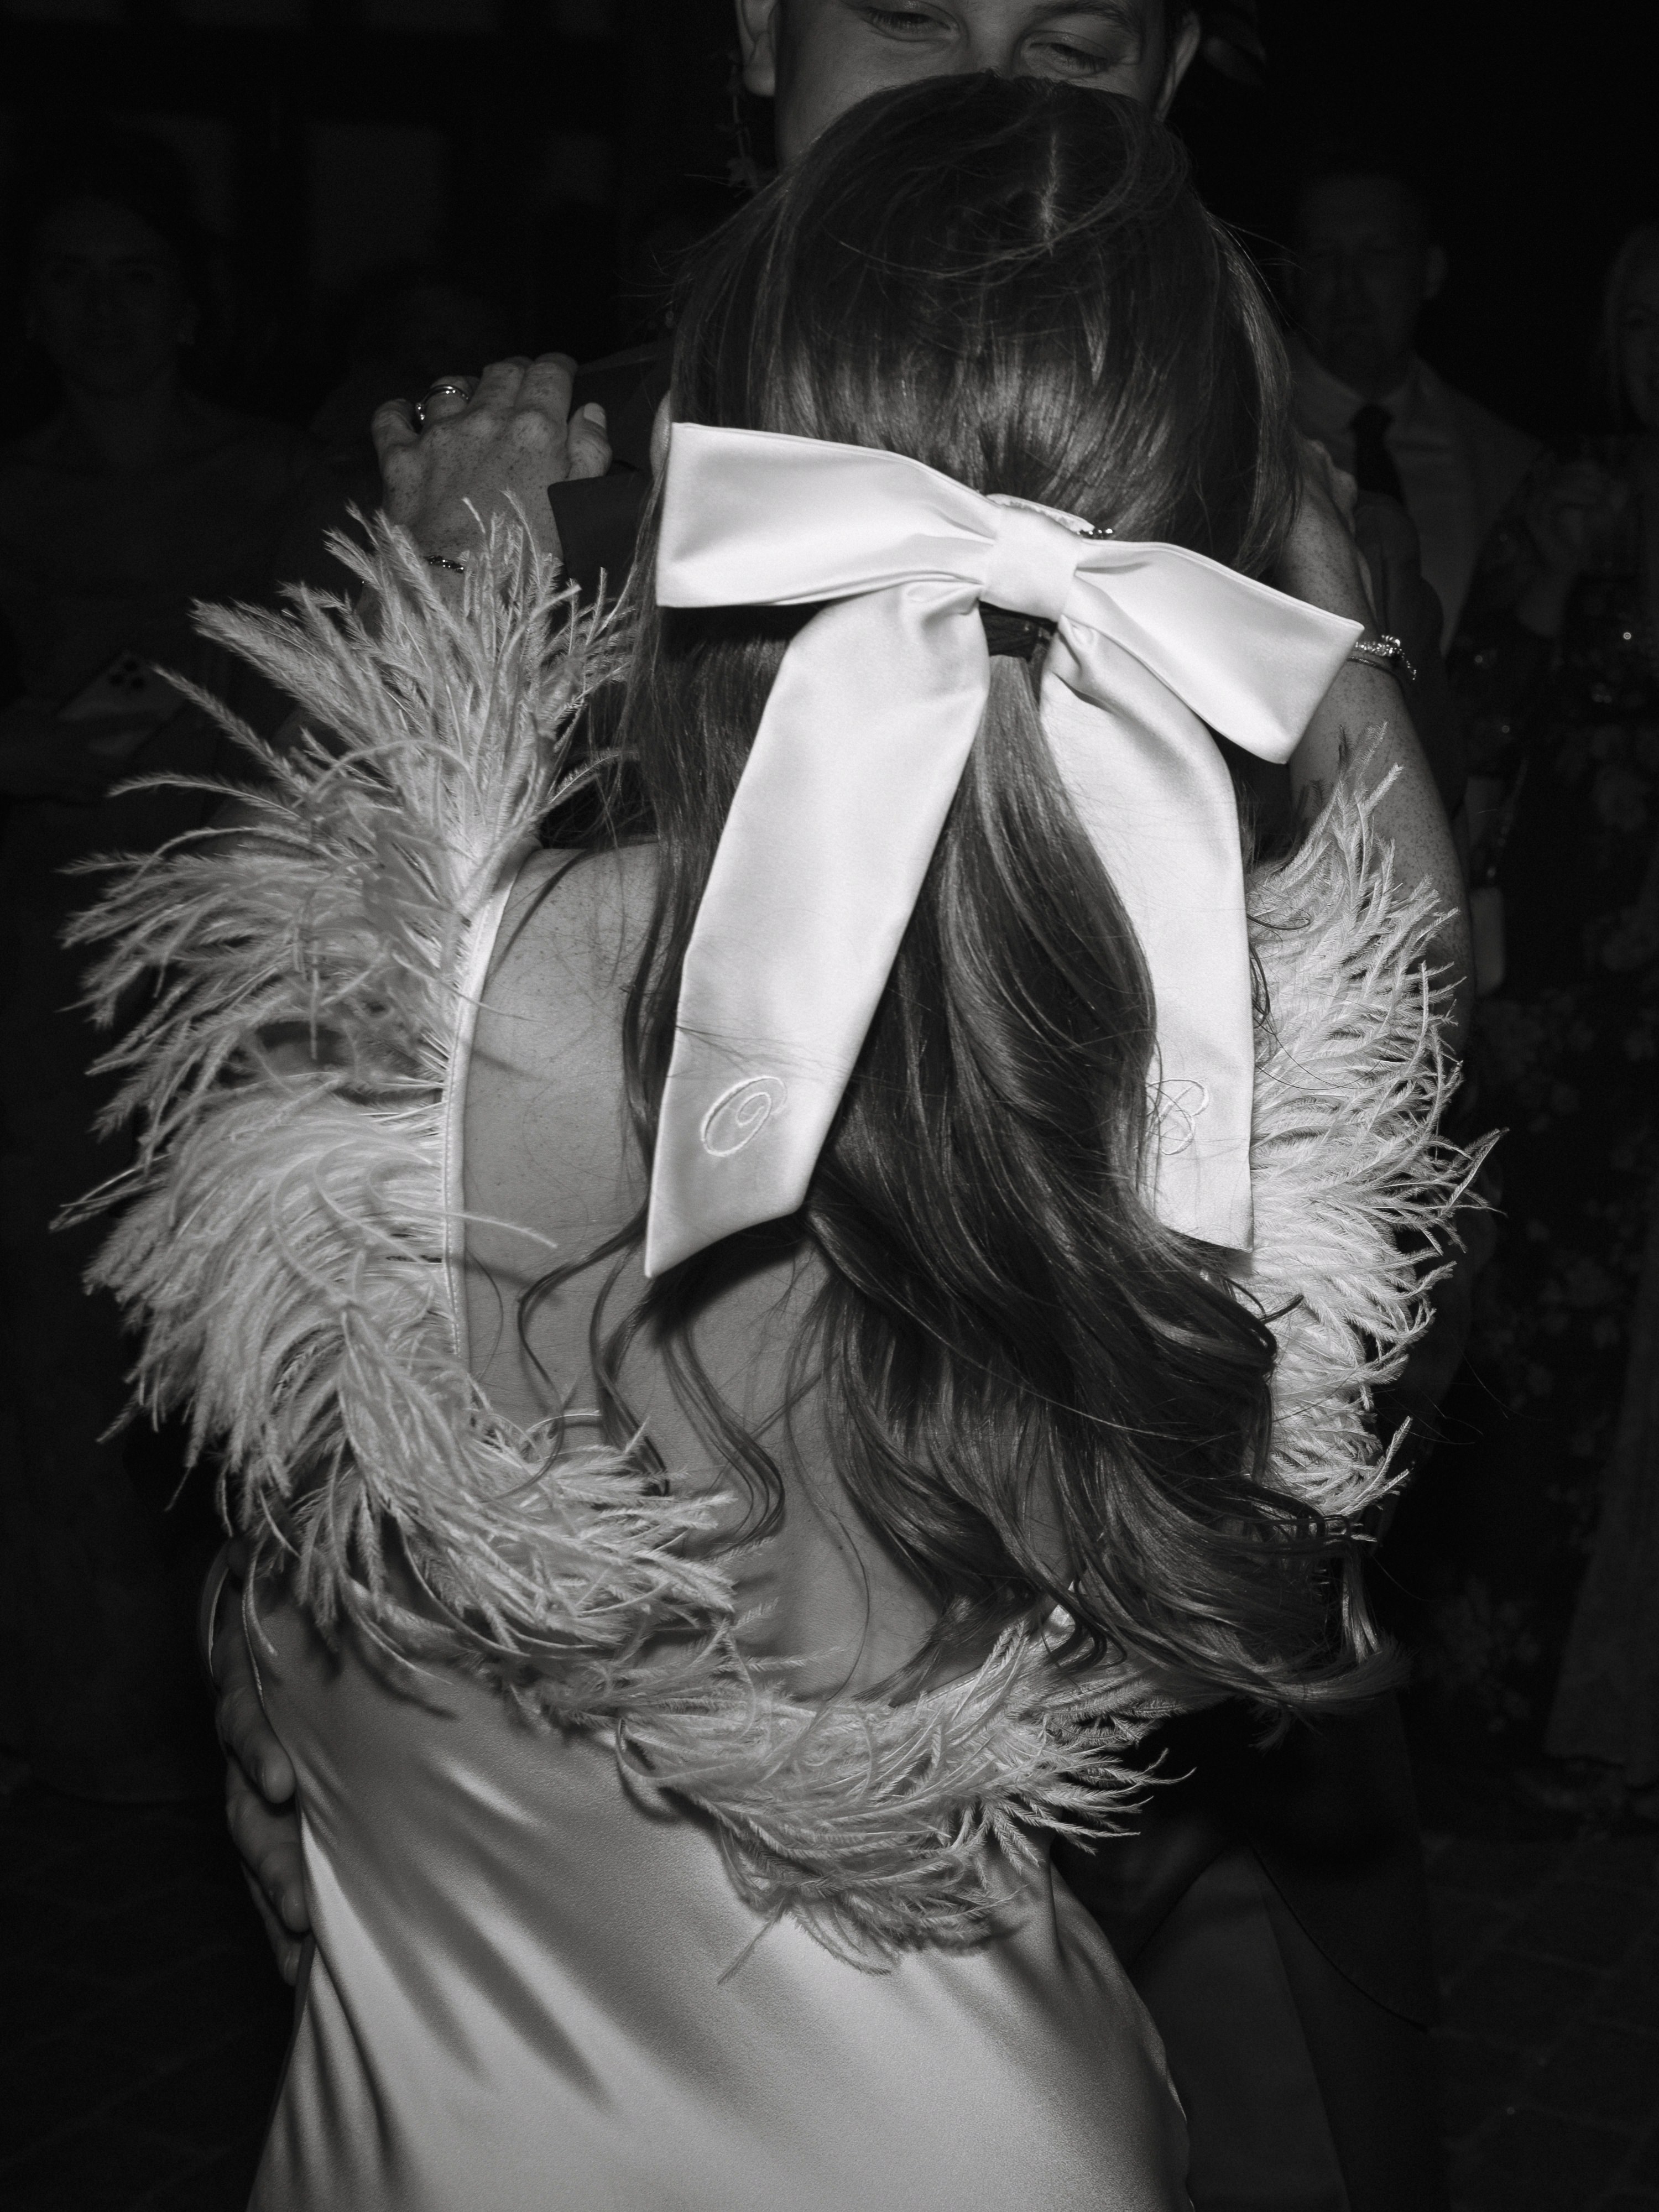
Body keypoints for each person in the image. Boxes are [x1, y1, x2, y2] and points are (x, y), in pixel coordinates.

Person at [79, 79, 1470, 2210]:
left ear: (702, 463)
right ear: (1203, 541)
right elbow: (1408, 946)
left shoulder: (429, 1010)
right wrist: (1306, 573)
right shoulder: (1224, 1095)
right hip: (990, 2134)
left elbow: (277, 1607)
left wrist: (440, 612)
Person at [0, 129, 337, 1800]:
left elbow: (338, 707)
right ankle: (71, 1722)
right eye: (69, 275)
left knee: (238, 1329)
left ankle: (271, 1710)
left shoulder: (278, 480)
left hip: (232, 969)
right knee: (53, 1340)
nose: (104, 307)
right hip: (40, 977)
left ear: (190, 304)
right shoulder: (11, 494)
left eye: (135, 274)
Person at [1437, 225, 1659, 1814]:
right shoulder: (1575, 486)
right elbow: (1465, 712)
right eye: (1637, 306)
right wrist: (1556, 588)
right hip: (1568, 995)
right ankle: (1488, 1721)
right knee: (1523, 1349)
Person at [1286, 158, 1541, 648]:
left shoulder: (1508, 463)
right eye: (1321, 256)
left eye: (1377, 255)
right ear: (1292, 277)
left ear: (1430, 272)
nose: (1348, 285)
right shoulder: (1228, 426)